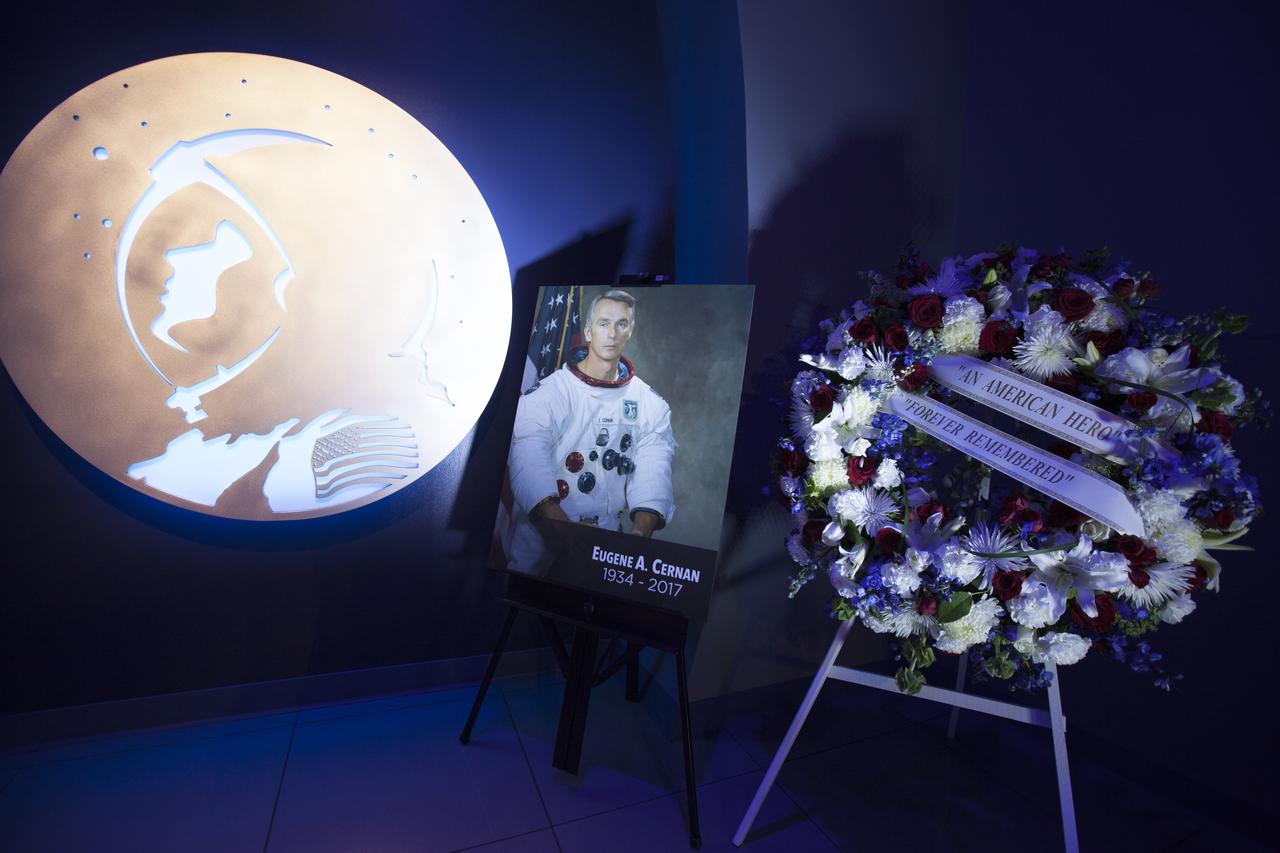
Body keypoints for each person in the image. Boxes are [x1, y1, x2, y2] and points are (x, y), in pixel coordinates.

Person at [506, 289, 677, 572]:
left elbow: (652, 472)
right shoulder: (550, 394)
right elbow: (529, 463)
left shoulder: (649, 404)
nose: (612, 333)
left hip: (607, 542)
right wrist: (566, 534)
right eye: (603, 323)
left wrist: (639, 535)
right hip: (543, 541)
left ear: (630, 331)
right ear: (587, 331)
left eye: (621, 323)